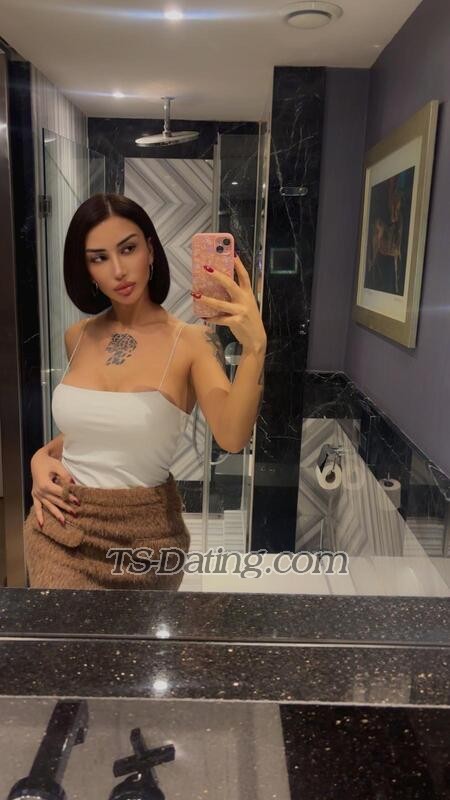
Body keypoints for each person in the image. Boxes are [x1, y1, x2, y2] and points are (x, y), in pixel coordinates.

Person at [24, 193, 267, 590]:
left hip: (147, 540)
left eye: (128, 249)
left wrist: (255, 347)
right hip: (62, 526)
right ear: (86, 270)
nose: (118, 270)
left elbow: (232, 436)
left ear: (150, 251)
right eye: (99, 258)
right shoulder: (77, 336)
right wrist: (41, 457)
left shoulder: (192, 343)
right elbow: (95, 431)